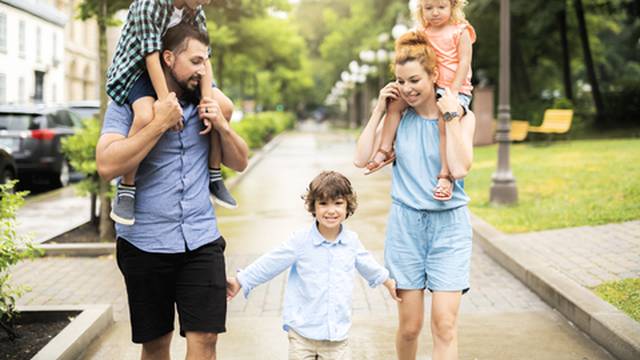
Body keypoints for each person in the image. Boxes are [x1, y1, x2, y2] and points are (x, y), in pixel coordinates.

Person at [96, 23, 249, 360]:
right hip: (144, 243)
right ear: (168, 58)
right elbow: (106, 165)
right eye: (195, 61)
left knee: (206, 337)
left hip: (201, 240)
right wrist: (159, 123)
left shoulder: (209, 102)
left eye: (205, 61)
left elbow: (240, 161)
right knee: (155, 345)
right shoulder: (129, 104)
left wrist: (222, 127)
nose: (203, 69)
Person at [354, 30, 475, 360]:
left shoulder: (462, 116)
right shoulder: (399, 117)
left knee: (445, 325)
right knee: (409, 327)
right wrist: (379, 110)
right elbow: (361, 158)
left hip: (449, 229)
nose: (407, 89)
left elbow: (460, 167)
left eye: (414, 80)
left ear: (434, 75)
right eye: (400, 81)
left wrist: (448, 115)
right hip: (406, 229)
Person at [226, 171, 401, 359]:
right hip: (302, 335)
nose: (331, 210)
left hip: (337, 337)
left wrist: (388, 282)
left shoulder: (351, 241)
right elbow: (271, 262)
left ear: (348, 205)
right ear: (313, 206)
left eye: (338, 203)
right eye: (323, 203)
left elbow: (368, 265)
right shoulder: (301, 241)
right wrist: (241, 280)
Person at [107, 0, 238, 226]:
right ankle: (127, 188)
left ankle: (214, 175)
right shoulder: (148, 5)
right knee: (146, 116)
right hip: (138, 71)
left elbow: (204, 58)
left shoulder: (195, 9)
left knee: (222, 108)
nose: (206, 1)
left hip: (176, 69)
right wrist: (168, 104)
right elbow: (150, 57)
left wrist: (207, 102)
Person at [364, 0, 475, 202]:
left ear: (453, 6)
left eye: (441, 7)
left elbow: (464, 62)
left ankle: (445, 175)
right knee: (395, 103)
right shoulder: (423, 32)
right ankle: (385, 149)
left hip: (455, 89)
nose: (435, 13)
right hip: (429, 87)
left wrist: (453, 92)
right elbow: (413, 56)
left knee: (445, 119)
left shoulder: (461, 30)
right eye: (429, 8)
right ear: (421, 9)